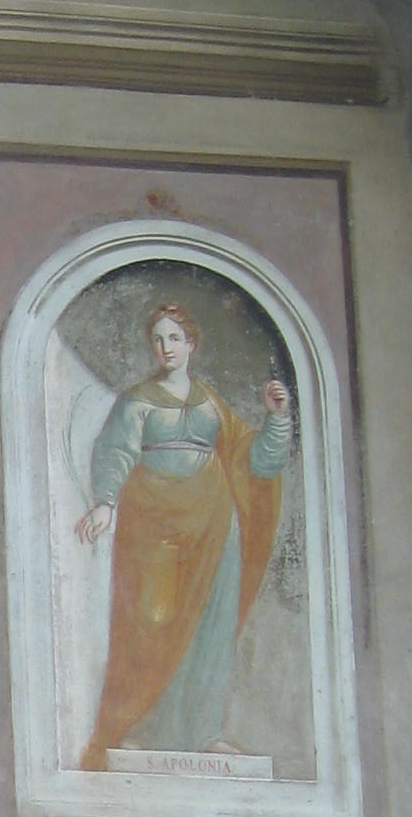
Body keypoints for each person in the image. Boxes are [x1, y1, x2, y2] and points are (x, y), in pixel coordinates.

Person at [74, 300, 291, 766]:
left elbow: (256, 460)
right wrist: (106, 502)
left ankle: (204, 731)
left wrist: (276, 419)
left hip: (215, 527)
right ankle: (137, 726)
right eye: (158, 338)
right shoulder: (137, 400)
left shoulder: (211, 402)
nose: (165, 347)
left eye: (174, 337)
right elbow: (115, 450)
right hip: (152, 525)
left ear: (191, 344)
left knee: (211, 626)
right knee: (149, 623)